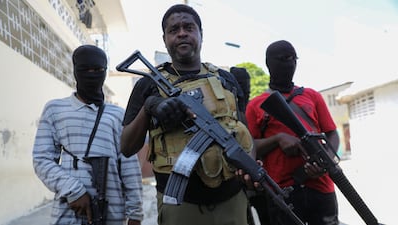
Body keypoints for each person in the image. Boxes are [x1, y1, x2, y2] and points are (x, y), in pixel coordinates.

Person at [121, 4, 253, 225]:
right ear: (164, 39)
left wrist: (251, 168)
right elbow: (126, 147)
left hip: (232, 201)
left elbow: (244, 132)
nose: (182, 33)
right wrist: (149, 107)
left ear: (201, 34)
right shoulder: (148, 85)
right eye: (174, 29)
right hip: (180, 206)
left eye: (188, 27)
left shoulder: (225, 79)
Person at [32, 45, 143, 225]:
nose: (92, 74)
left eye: (98, 70)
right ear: (75, 71)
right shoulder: (54, 109)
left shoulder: (118, 115)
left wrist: (135, 213)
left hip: (112, 215)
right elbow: (41, 159)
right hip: (68, 214)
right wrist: (73, 191)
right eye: (85, 70)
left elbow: (129, 166)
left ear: (105, 71)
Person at [245, 40, 339, 225]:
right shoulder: (256, 105)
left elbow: (332, 134)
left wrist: (325, 161)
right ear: (269, 63)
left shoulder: (312, 96)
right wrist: (278, 139)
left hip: (321, 185)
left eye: (292, 58)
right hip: (282, 191)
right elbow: (251, 146)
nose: (289, 63)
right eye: (282, 59)